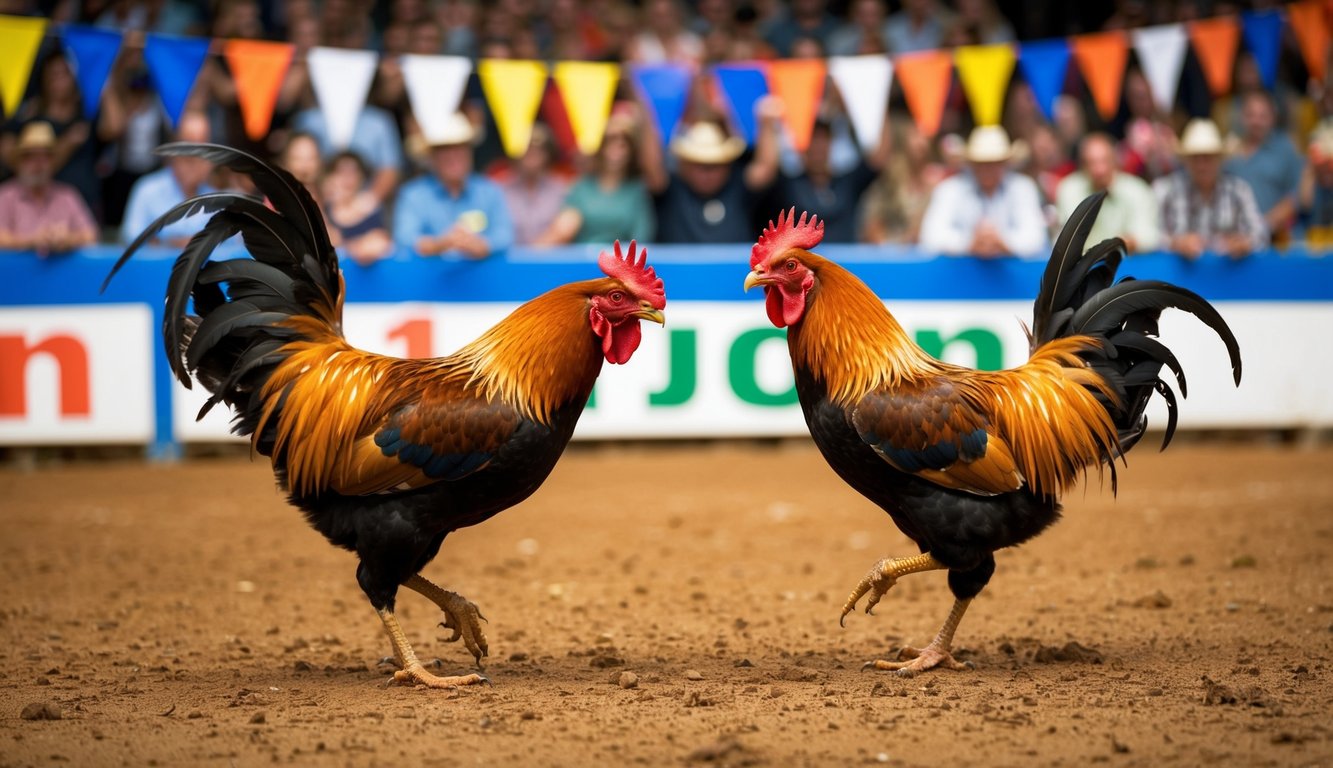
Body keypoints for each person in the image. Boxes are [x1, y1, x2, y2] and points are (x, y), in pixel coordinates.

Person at [640, 99, 782, 244]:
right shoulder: (670, 189)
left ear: (728, 164)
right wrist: (646, 117)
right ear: (684, 165)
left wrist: (767, 124)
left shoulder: (739, 186)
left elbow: (765, 170)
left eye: (714, 165)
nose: (707, 174)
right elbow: (651, 168)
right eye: (699, 165)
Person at [392, 112, 514, 259]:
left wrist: (482, 245)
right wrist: (439, 245)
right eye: (444, 149)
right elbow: (404, 238)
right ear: (431, 157)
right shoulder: (413, 195)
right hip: (431, 281)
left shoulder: (490, 190)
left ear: (470, 152)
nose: (453, 156)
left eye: (460, 148)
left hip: (482, 280)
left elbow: (504, 236)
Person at [919, 126, 1049, 257]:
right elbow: (930, 237)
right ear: (971, 163)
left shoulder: (1022, 188)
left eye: (994, 162)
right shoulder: (949, 189)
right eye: (981, 162)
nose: (987, 168)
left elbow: (1036, 238)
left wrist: (1002, 242)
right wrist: (969, 243)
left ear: (1005, 163)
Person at [1154, 118, 1267, 260]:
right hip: (1176, 279)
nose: (1201, 165)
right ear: (1186, 161)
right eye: (1195, 158)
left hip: (1228, 278)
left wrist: (1244, 243)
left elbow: (1261, 234)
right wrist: (1175, 243)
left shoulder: (1239, 190)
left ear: (1220, 159)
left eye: (1208, 157)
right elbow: (1151, 235)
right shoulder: (1166, 190)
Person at [537, 112, 655, 245]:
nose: (615, 151)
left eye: (623, 145)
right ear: (600, 147)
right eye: (609, 143)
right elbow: (563, 229)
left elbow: (641, 237)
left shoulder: (636, 190)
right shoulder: (581, 187)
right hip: (582, 261)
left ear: (631, 151)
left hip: (621, 262)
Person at [773, 116, 889, 243]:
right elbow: (766, 168)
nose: (818, 147)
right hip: (805, 261)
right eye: (812, 140)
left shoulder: (848, 182)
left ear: (831, 143)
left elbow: (879, 158)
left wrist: (880, 103)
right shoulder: (787, 186)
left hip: (846, 261)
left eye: (823, 139)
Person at [119, 110, 218, 247]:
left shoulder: (219, 197)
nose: (196, 158)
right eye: (188, 152)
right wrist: (173, 244)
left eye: (203, 151)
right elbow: (131, 239)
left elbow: (232, 244)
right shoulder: (147, 190)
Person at [0, 122, 98, 255]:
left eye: (45, 157)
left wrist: (68, 240)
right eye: (30, 156)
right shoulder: (5, 196)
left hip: (61, 275)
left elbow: (91, 236)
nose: (38, 164)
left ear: (53, 162)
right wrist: (32, 241)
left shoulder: (67, 195)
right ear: (19, 161)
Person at [1055, 133, 1161, 252]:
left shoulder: (1137, 190)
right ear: (1082, 165)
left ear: (1115, 161)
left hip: (1126, 263)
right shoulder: (1069, 189)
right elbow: (1062, 239)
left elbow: (1149, 236)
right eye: (1091, 163)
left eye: (1104, 161)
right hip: (1081, 266)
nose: (1099, 170)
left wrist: (1127, 242)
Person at [1223, 91, 1304, 244]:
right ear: (1241, 117)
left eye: (1263, 116)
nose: (1256, 121)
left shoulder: (1285, 149)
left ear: (1273, 118)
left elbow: (1297, 196)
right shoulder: (1228, 152)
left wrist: (1263, 225)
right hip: (1234, 241)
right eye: (1250, 115)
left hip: (1275, 240)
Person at [861, 117, 946, 244]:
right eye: (915, 135)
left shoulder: (939, 180)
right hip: (890, 252)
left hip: (925, 251)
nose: (920, 143)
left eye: (925, 137)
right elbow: (873, 224)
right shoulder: (891, 177)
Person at [497, 124, 569, 246]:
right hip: (508, 262)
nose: (532, 154)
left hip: (551, 261)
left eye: (539, 149)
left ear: (548, 153)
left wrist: (533, 252)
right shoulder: (499, 189)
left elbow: (564, 229)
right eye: (526, 148)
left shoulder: (562, 189)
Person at [322, 151, 393, 265]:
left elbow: (382, 243)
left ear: (361, 177)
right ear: (331, 177)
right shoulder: (323, 209)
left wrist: (348, 246)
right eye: (341, 172)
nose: (347, 179)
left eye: (353, 173)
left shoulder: (372, 209)